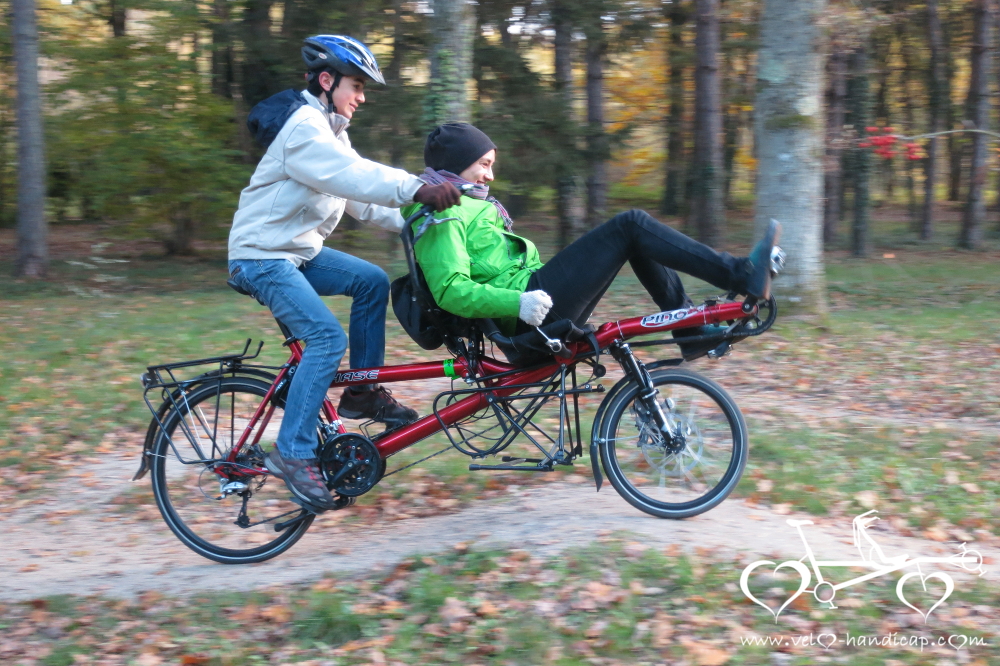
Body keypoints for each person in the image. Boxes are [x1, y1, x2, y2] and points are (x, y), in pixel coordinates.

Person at [227, 35, 461, 511]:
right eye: (356, 85)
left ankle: (362, 393)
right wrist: (417, 188)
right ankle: (292, 453)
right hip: (261, 257)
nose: (362, 96)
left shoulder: (330, 130)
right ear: (327, 80)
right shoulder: (303, 128)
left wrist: (420, 224)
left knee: (369, 280)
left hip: (294, 253)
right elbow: (352, 177)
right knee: (327, 341)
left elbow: (361, 198)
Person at [404, 122, 781, 360]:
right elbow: (450, 290)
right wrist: (517, 302)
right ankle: (740, 275)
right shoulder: (442, 213)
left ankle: (693, 329)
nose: (491, 174)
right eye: (484, 164)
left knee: (635, 236)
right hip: (527, 321)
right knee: (630, 225)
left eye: (491, 164)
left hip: (536, 303)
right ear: (457, 163)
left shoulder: (470, 205)